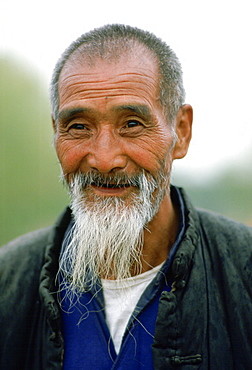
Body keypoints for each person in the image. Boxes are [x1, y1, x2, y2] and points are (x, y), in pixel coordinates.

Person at [0, 24, 251, 370]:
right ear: (55, 132)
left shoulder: (243, 271)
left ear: (180, 132)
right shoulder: (9, 280)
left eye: (132, 124)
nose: (104, 158)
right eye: (78, 127)